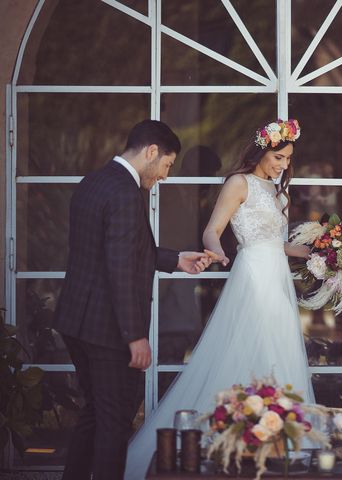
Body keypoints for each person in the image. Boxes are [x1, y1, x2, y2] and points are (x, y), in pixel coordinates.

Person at [124, 119, 314, 479]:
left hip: (277, 278)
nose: (283, 165)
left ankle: (275, 447)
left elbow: (277, 241)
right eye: (278, 157)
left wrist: (311, 253)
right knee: (249, 351)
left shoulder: (279, 191)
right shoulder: (238, 183)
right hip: (253, 275)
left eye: (288, 159)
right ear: (261, 150)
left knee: (279, 352)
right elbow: (212, 230)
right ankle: (230, 447)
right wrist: (218, 253)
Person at [54, 119, 220, 480]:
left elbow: (117, 250)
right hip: (106, 329)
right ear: (151, 152)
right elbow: (119, 267)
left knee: (97, 412)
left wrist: (174, 259)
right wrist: (135, 335)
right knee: (114, 420)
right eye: (167, 165)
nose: (166, 175)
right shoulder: (127, 193)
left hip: (76, 322)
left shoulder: (94, 182)